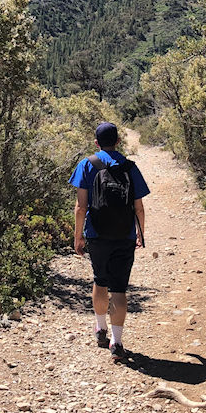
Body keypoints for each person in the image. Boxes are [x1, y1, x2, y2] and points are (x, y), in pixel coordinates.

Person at [70, 122, 149, 362]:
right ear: (117, 142)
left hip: (96, 235)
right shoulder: (129, 167)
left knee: (99, 280)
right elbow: (139, 207)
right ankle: (117, 342)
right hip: (124, 235)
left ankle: (100, 329)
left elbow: (80, 207)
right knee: (119, 289)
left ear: (96, 142)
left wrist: (78, 237)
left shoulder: (87, 164)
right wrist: (140, 234)